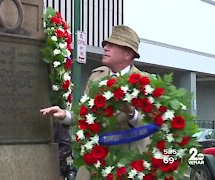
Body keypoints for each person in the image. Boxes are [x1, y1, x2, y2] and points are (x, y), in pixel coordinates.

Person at [40, 25, 150, 180]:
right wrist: (64, 115)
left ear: (128, 53)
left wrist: (131, 112)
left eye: (112, 45)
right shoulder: (96, 76)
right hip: (95, 162)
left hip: (127, 165)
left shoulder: (144, 81)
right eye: (106, 44)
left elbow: (149, 126)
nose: (105, 47)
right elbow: (85, 114)